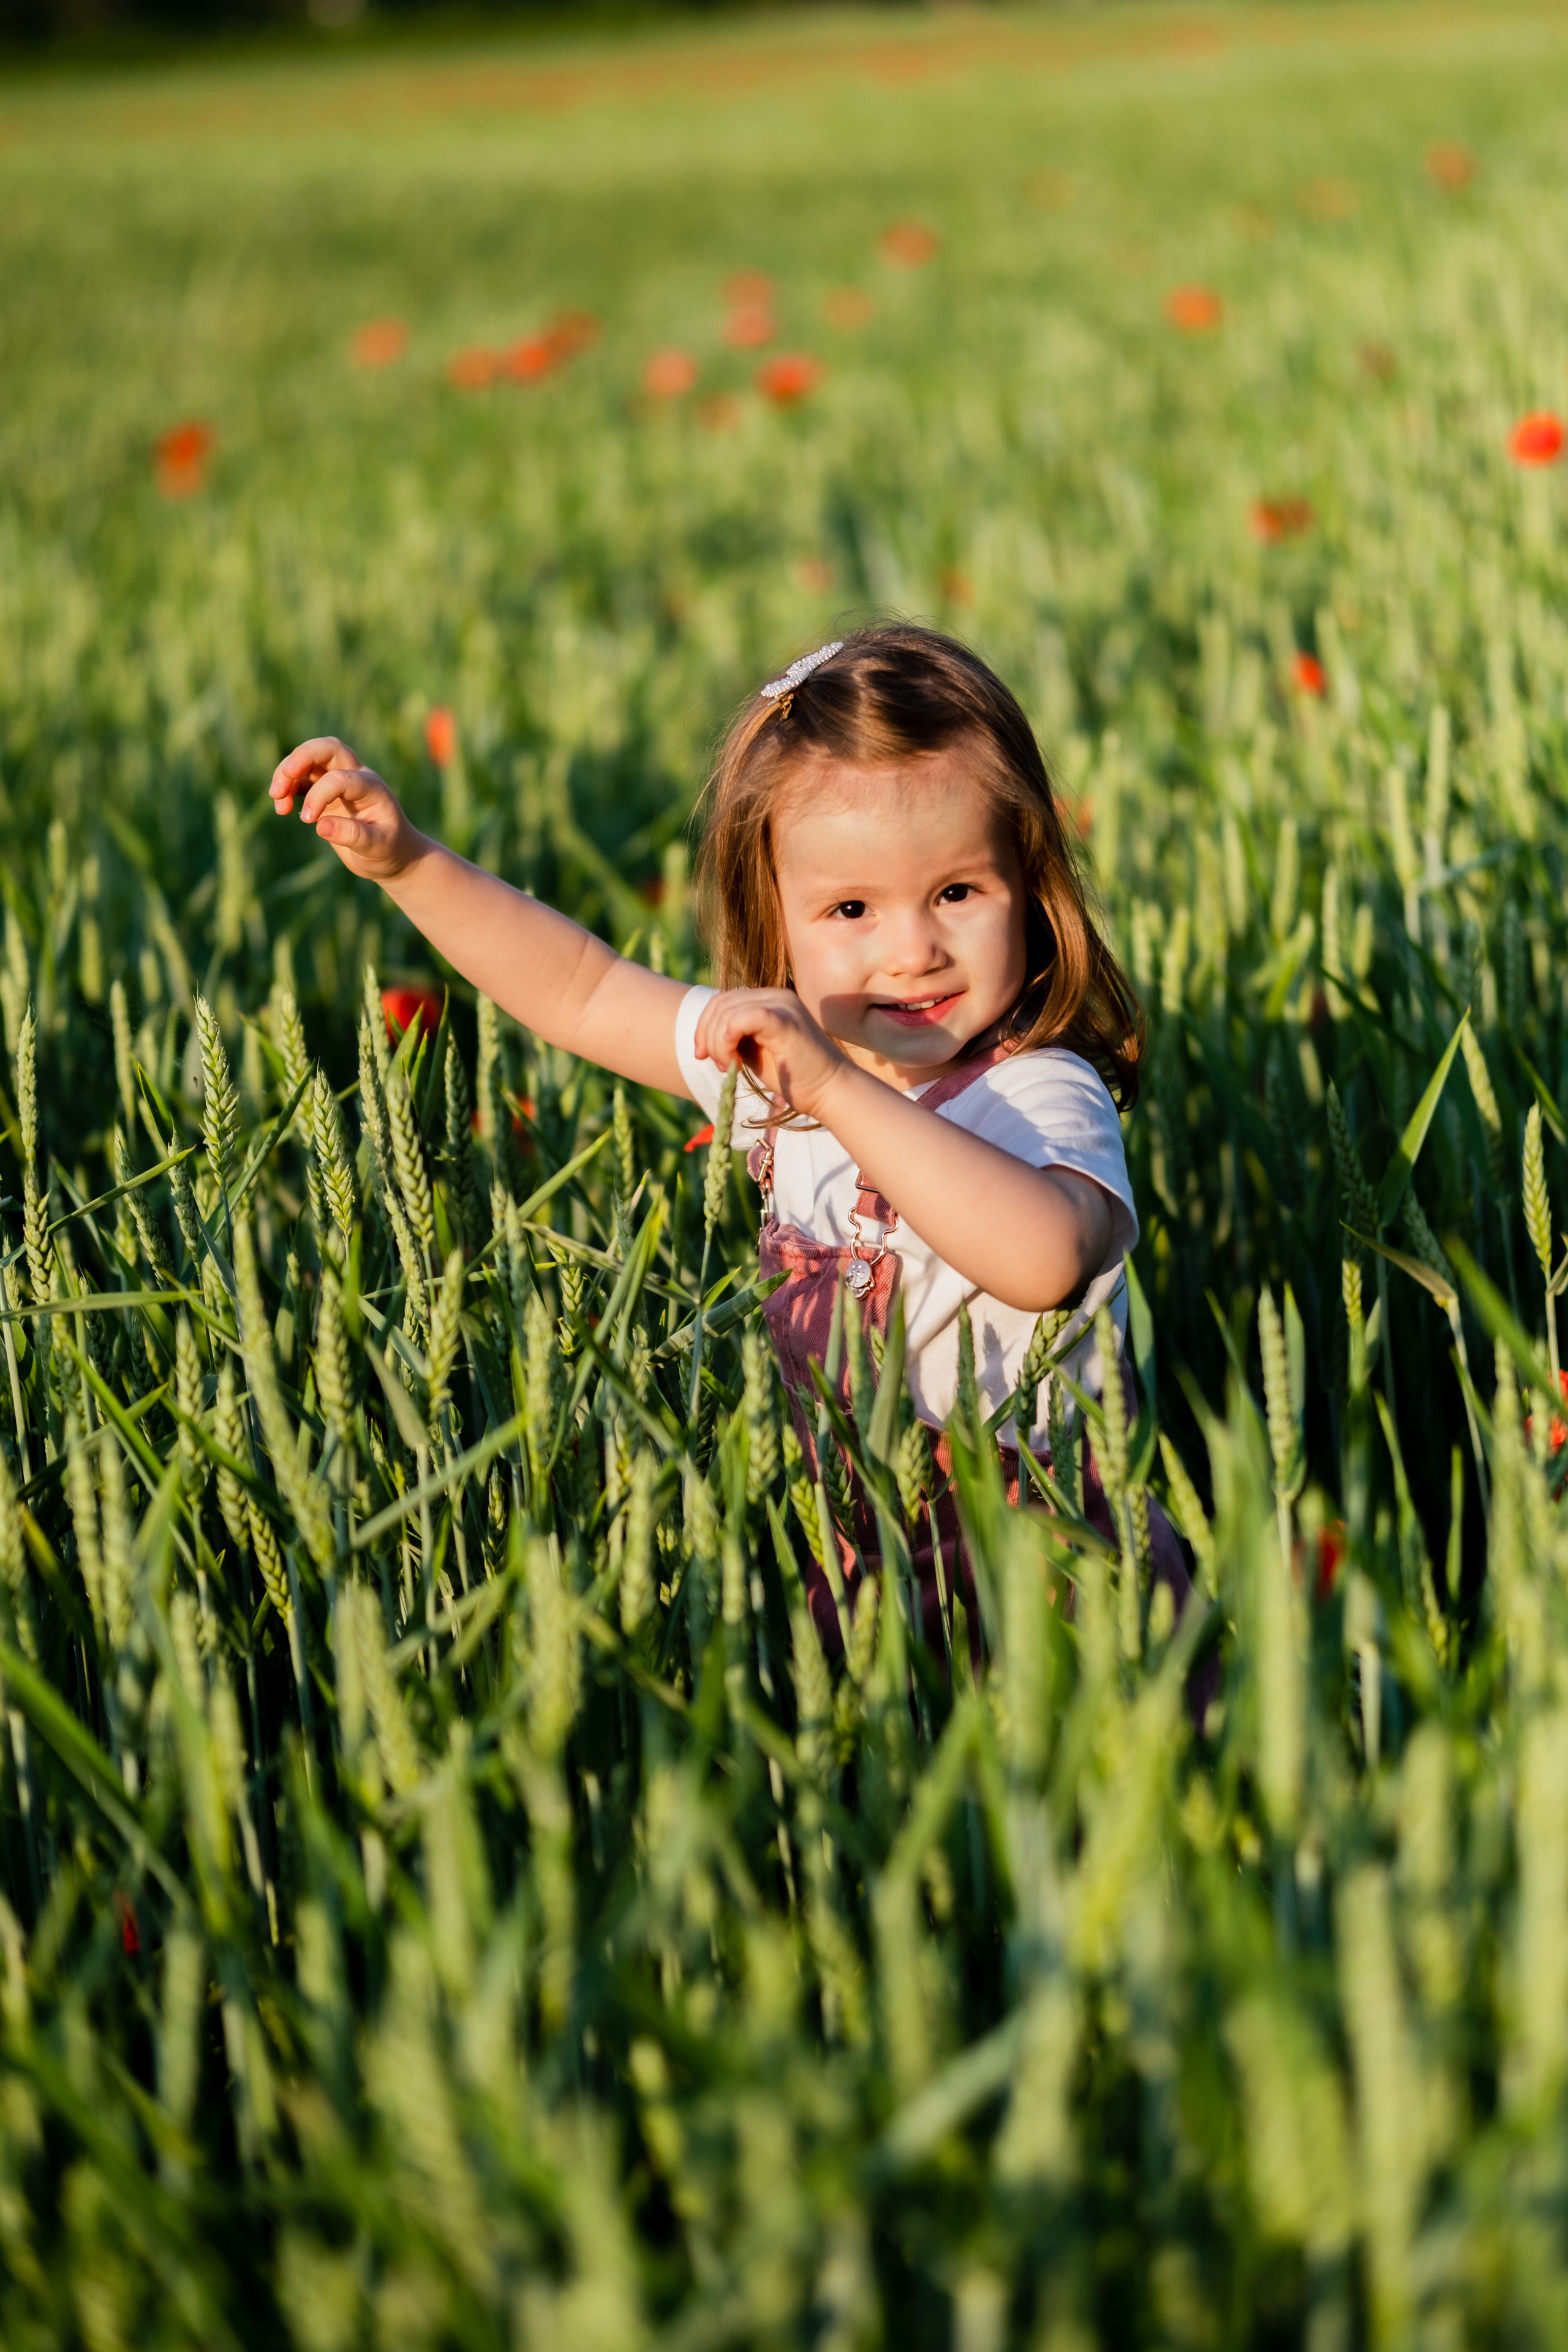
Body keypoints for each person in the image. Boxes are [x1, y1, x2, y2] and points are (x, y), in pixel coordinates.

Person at [268, 623, 1194, 1657]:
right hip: (861, 1553)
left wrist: (836, 1087)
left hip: (1053, 1570)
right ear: (779, 925)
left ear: (1030, 884)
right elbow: (582, 990)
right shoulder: (782, 1070)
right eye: (850, 908)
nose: (912, 948)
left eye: (957, 893)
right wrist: (409, 864)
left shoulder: (1035, 1090)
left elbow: (1046, 1258)